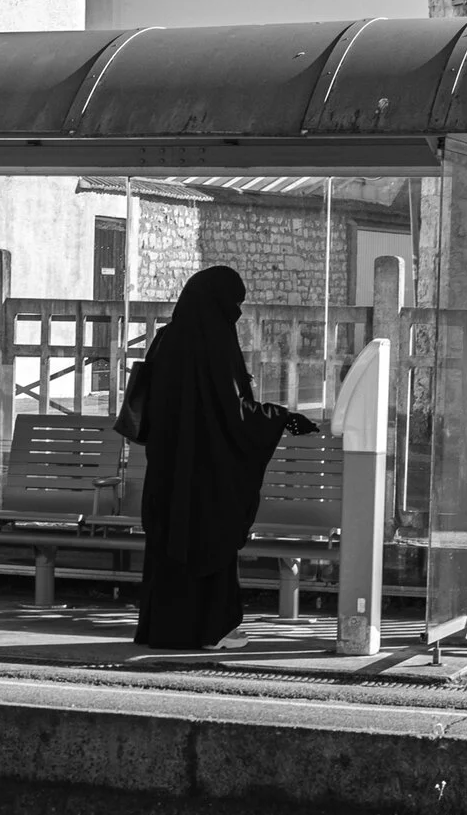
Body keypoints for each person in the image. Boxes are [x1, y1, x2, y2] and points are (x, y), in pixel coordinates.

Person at [115, 265, 317, 649]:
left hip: (168, 471)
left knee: (168, 546)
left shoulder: (166, 339)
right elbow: (234, 411)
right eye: (234, 302)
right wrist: (283, 418)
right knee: (209, 542)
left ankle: (165, 629)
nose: (237, 312)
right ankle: (212, 630)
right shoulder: (216, 343)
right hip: (207, 473)